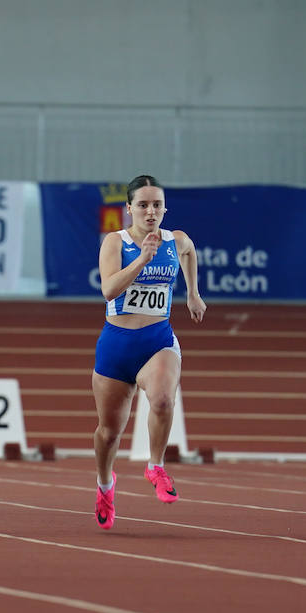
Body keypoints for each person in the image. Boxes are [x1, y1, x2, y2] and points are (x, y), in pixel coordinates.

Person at [91, 174, 207, 530]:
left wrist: (192, 293)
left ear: (164, 208)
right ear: (129, 210)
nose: (150, 211)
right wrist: (142, 259)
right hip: (116, 346)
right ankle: (105, 485)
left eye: (157, 204)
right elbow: (109, 290)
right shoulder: (116, 242)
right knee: (109, 433)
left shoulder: (177, 240)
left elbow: (189, 253)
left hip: (158, 341)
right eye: (142, 205)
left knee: (162, 401)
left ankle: (155, 465)